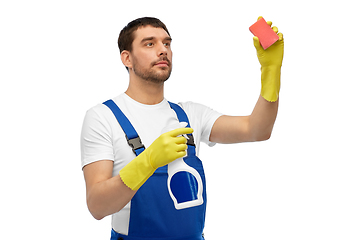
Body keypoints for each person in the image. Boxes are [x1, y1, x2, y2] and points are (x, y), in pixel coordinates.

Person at [81, 17, 284, 240]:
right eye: (150, 44)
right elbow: (97, 206)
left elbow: (257, 129)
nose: (162, 50)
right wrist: (147, 162)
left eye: (166, 44)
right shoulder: (103, 117)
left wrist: (271, 70)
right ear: (126, 58)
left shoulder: (190, 115)